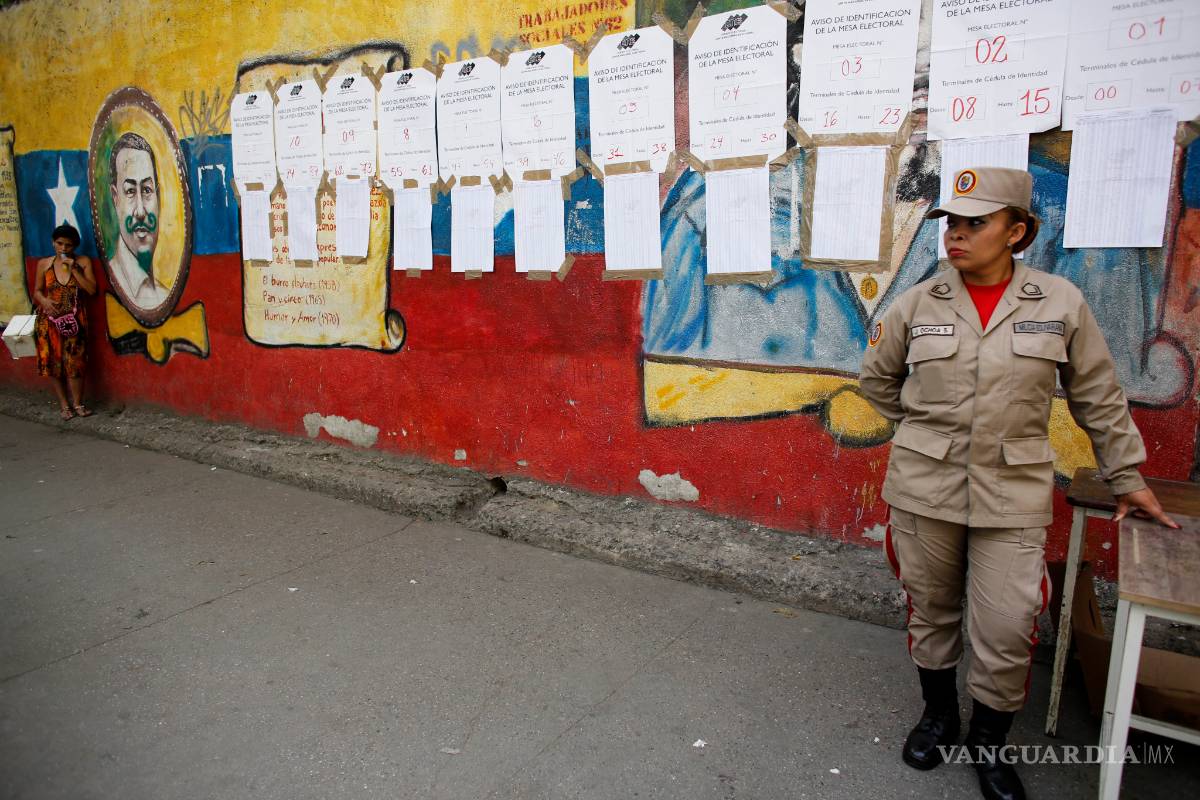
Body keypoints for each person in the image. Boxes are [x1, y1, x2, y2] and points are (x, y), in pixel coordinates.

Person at [859, 167, 1177, 800]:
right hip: (925, 489)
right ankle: (939, 716)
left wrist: (1127, 476)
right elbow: (877, 380)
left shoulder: (1059, 303)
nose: (957, 234)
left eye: (977, 223)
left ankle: (989, 743)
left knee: (1007, 626)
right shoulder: (918, 303)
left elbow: (1097, 396)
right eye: (952, 222)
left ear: (1017, 232)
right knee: (932, 612)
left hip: (1013, 495)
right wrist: (927, 428)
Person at [33, 223, 97, 419]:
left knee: (75, 363)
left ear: (74, 246)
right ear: (53, 243)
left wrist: (74, 270)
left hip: (75, 320)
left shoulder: (83, 262)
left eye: (68, 245)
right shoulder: (44, 264)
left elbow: (92, 290)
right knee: (53, 364)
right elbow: (37, 290)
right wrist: (44, 301)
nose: (63, 249)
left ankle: (78, 403)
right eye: (59, 244)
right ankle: (64, 405)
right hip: (49, 320)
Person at [107, 132, 168, 308]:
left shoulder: (163, 294)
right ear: (115, 197)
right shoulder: (115, 283)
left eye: (147, 190)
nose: (141, 211)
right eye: (130, 191)